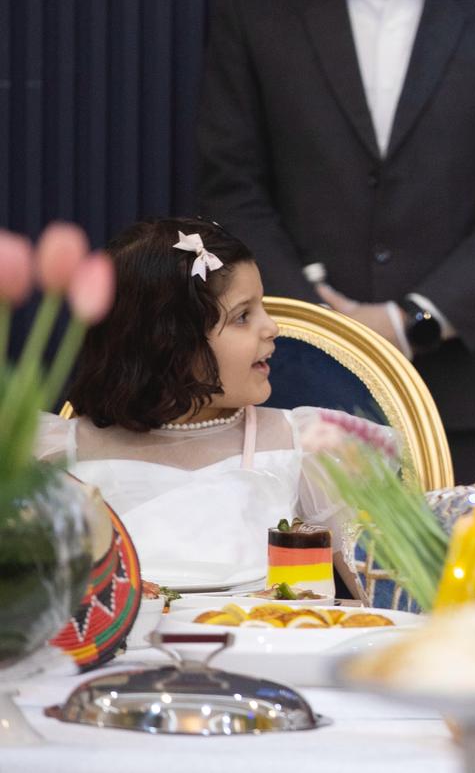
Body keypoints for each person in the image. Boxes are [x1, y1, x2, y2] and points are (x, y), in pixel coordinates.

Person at [196, 0, 475, 483]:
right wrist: (328, 330)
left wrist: (412, 321)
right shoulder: (255, 10)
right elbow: (231, 191)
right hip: (297, 401)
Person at [34, 219, 393, 594]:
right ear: (170, 344)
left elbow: (388, 600)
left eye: (262, 307)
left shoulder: (305, 445)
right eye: (243, 316)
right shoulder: (56, 458)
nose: (272, 327)